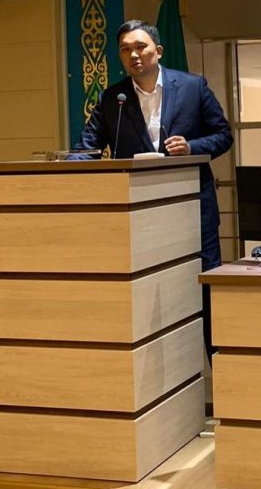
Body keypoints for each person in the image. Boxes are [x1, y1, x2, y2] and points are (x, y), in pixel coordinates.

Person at [73, 20, 232, 351]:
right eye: (125, 49)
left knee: (204, 295)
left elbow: (223, 134)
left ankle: (219, 373)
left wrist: (192, 147)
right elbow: (87, 147)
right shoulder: (113, 98)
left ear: (157, 51)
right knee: (151, 296)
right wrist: (65, 166)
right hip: (140, 216)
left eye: (140, 47)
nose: (133, 55)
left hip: (192, 211)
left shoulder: (193, 87)